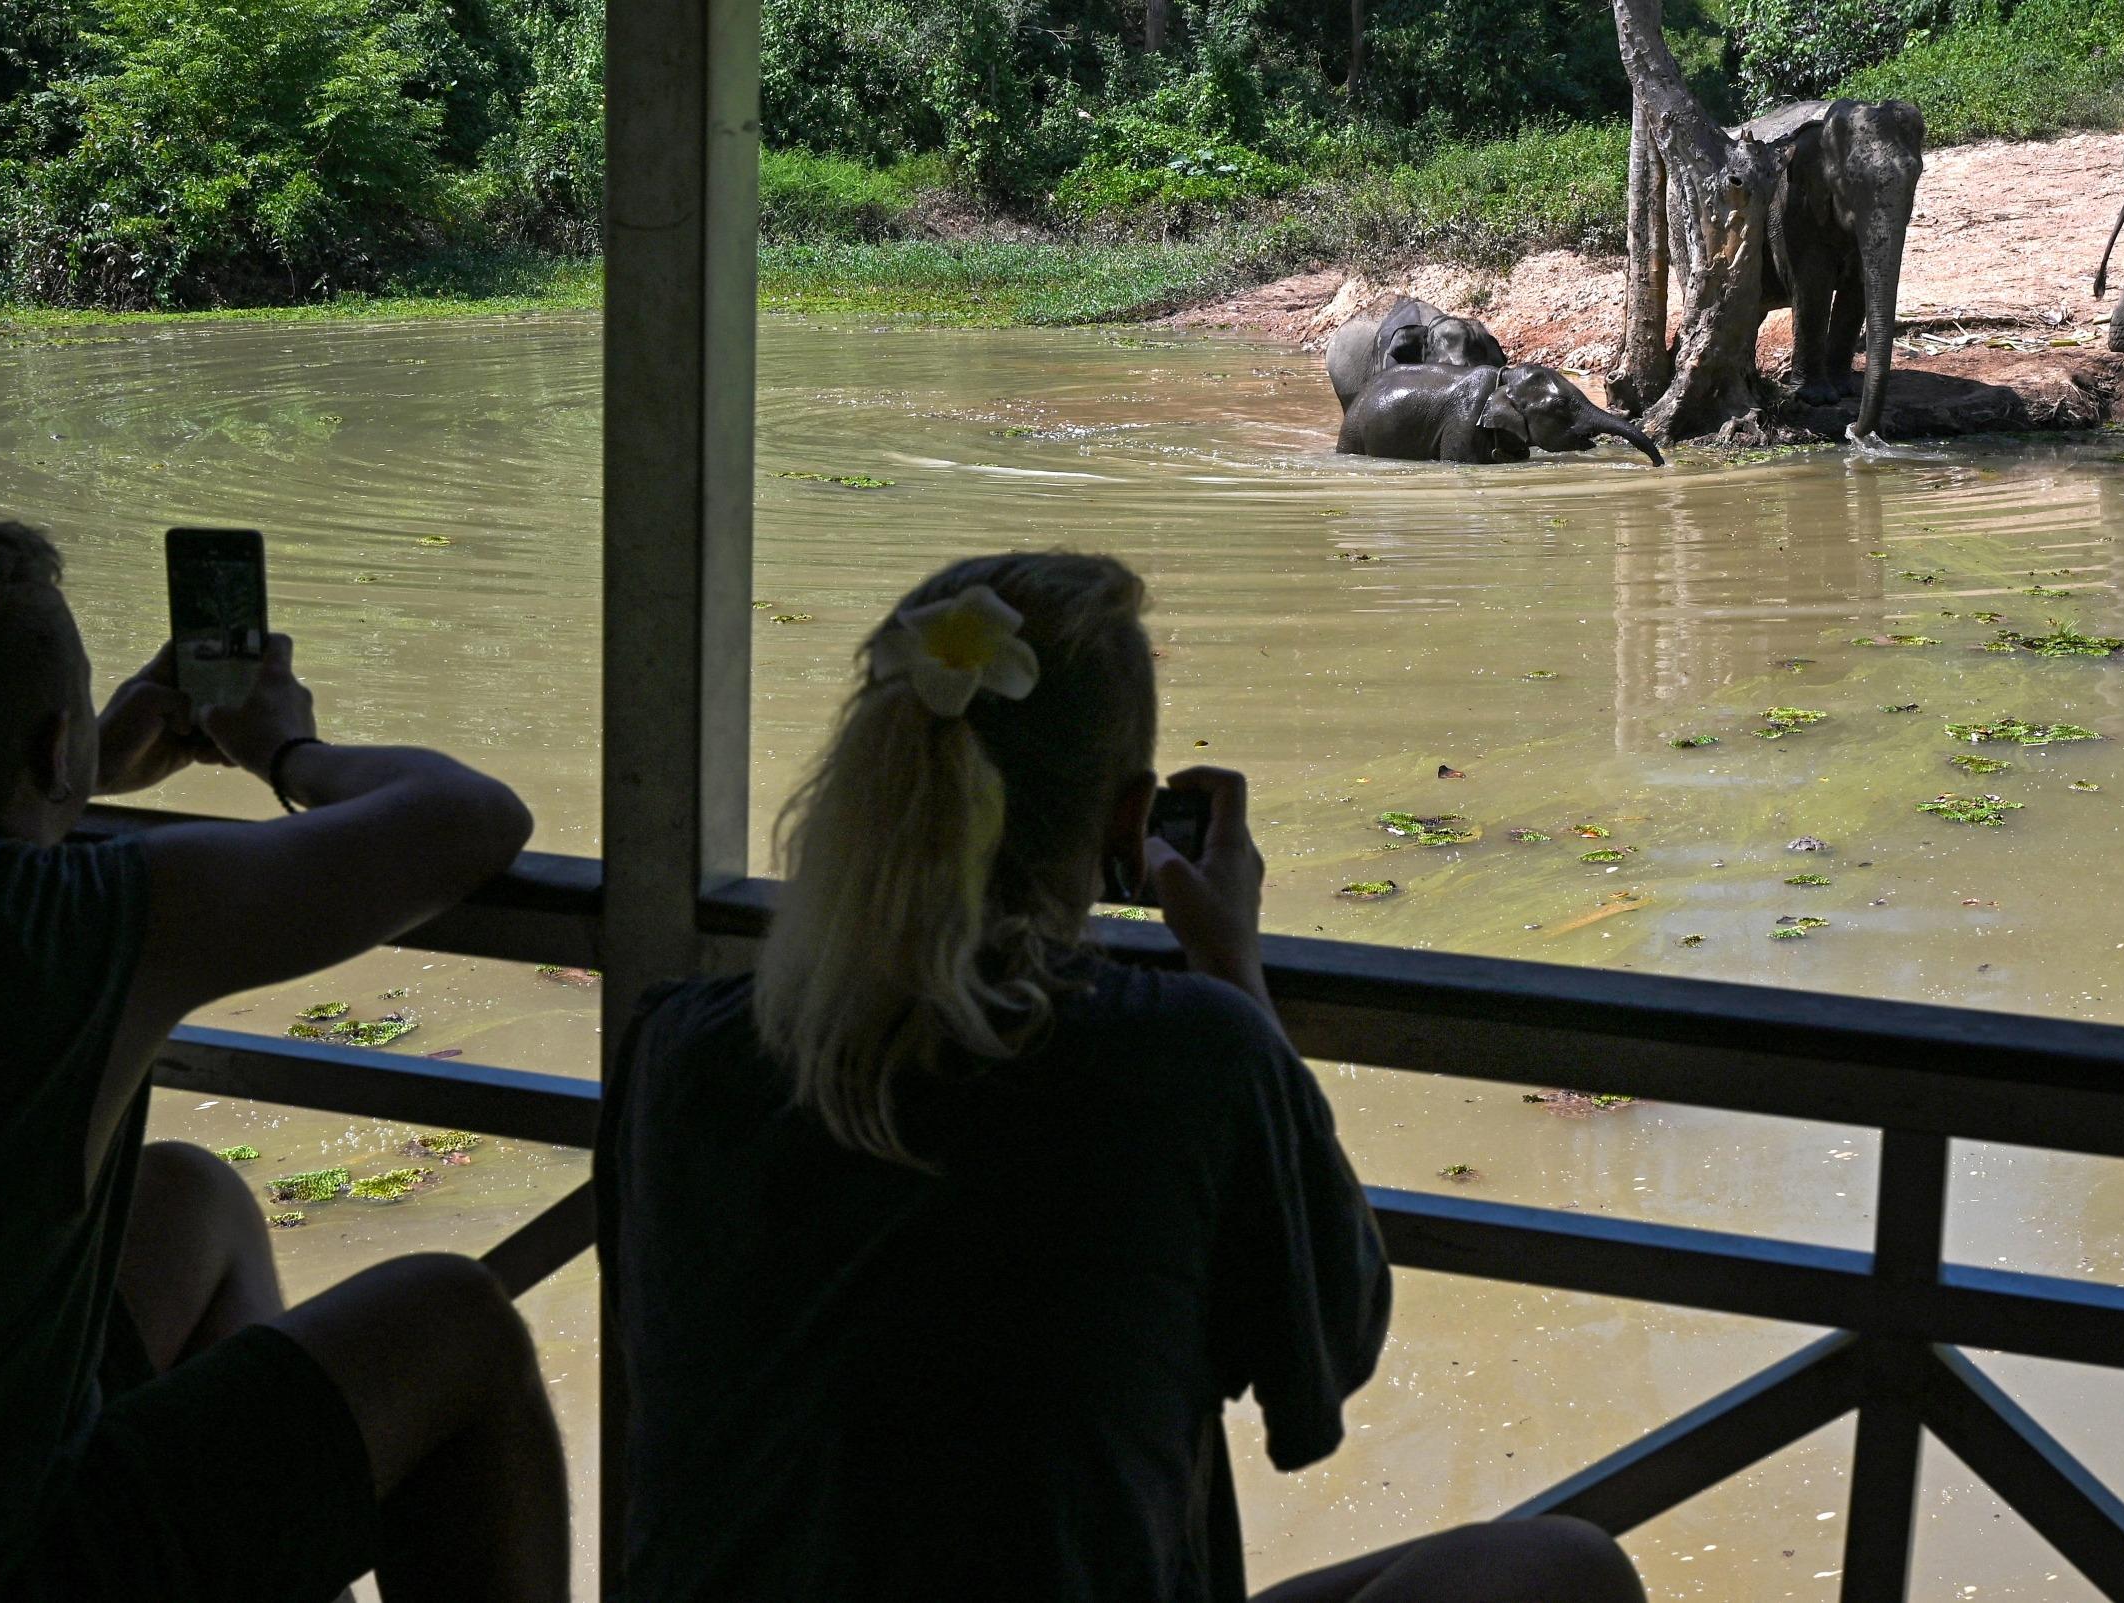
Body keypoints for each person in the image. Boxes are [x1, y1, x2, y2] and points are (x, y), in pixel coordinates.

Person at [598, 551, 1645, 1603]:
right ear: (1129, 822)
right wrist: (1236, 973)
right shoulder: (1185, 1055)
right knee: (1561, 1570)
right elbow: (1327, 1352)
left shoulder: (677, 1049)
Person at [0, 511, 568, 1602]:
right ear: (48, 745)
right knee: (457, 1324)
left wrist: (81, 759)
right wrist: (284, 750)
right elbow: (473, 817)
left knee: (191, 1198)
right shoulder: (70, 920)